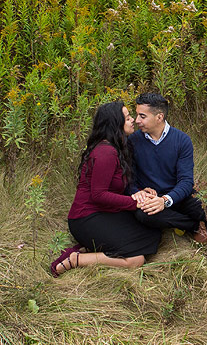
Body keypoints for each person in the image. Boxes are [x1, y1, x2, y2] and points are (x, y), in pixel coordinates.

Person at [50, 101, 160, 276]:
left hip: (104, 212)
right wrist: (135, 202)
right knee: (136, 260)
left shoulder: (116, 147)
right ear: (115, 123)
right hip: (86, 217)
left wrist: (139, 192)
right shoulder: (105, 152)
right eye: (127, 118)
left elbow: (117, 187)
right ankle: (75, 259)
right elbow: (99, 195)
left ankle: (90, 248)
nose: (133, 120)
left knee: (151, 235)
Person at [128, 92, 207, 258]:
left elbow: (186, 181)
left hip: (178, 196)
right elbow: (129, 178)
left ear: (159, 117)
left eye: (142, 116)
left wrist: (166, 200)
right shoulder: (133, 141)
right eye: (137, 115)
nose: (137, 120)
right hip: (151, 199)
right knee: (142, 214)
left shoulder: (182, 140)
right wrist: (138, 192)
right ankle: (194, 227)